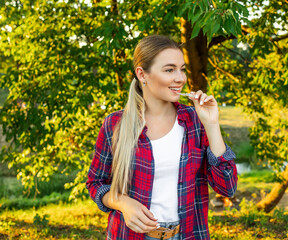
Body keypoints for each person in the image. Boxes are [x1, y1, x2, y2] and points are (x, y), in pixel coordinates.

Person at [86, 35, 238, 240]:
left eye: (182, 69)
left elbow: (227, 187)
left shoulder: (194, 121)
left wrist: (211, 124)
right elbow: (95, 182)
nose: (181, 78)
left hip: (187, 235)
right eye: (169, 70)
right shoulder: (115, 125)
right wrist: (122, 202)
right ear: (142, 74)